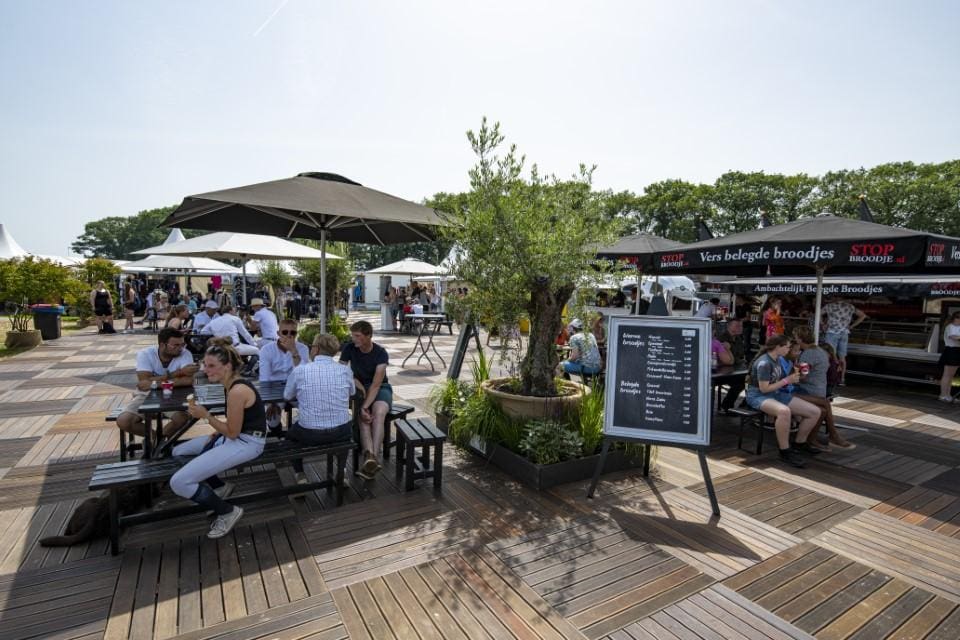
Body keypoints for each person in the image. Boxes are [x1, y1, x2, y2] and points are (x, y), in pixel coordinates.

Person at [172, 341, 266, 539]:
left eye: (211, 365)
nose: (205, 370)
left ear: (227, 366)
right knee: (178, 452)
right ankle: (219, 487)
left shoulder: (237, 391)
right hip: (237, 437)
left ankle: (227, 512)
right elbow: (234, 425)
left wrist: (206, 416)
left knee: (179, 482)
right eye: (205, 365)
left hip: (248, 443)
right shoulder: (230, 385)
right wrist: (218, 431)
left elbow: (232, 432)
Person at [283, 333, 354, 482]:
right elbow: (352, 392)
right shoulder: (345, 370)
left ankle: (300, 474)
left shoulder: (300, 370)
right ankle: (341, 471)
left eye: (312, 346)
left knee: (289, 437)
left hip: (309, 433)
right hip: (340, 431)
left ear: (316, 349)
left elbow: (287, 396)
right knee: (347, 430)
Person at [744, 335, 823, 468]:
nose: (788, 349)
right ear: (777, 347)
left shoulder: (778, 359)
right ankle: (784, 451)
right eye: (787, 347)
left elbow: (779, 381)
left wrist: (794, 377)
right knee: (784, 411)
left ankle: (799, 444)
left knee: (815, 412)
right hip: (758, 396)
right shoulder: (764, 363)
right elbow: (764, 389)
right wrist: (787, 380)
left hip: (776, 393)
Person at [115, 328, 198, 440]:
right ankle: (156, 439)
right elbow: (143, 382)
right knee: (124, 421)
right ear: (162, 345)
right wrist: (179, 373)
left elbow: (188, 380)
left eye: (182, 344)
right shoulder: (145, 354)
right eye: (176, 345)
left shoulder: (185, 353)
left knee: (181, 418)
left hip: (175, 395)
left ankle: (157, 443)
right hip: (146, 395)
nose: (180, 348)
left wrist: (154, 383)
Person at [340, 320, 391, 479]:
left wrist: (364, 406)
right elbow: (341, 371)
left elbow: (376, 385)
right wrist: (357, 384)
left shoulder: (381, 353)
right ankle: (371, 459)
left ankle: (371, 457)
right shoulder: (349, 348)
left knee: (378, 413)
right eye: (353, 335)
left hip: (380, 387)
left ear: (368, 336)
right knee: (363, 419)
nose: (353, 339)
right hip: (359, 387)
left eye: (357, 336)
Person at [792, 326, 855, 449]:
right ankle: (824, 436)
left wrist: (793, 373)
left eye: (795, 337)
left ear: (800, 339)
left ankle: (824, 437)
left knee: (823, 407)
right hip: (820, 390)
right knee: (824, 408)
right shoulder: (819, 351)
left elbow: (803, 377)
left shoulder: (807, 354)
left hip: (809, 391)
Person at [260, 318, 310, 430]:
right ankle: (278, 432)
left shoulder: (303, 348)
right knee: (272, 420)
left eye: (293, 333)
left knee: (310, 412)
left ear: (296, 334)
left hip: (296, 387)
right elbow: (264, 378)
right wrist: (270, 402)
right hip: (274, 387)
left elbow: (304, 374)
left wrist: (294, 352)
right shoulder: (266, 350)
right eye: (285, 332)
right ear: (278, 333)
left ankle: (296, 432)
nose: (289, 336)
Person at [821, 296, 867, 385]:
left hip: (832, 332)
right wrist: (851, 326)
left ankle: (830, 377)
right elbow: (863, 316)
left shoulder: (829, 306)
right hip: (844, 333)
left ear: (836, 296)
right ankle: (842, 379)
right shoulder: (850, 306)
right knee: (842, 357)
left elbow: (818, 313)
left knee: (830, 356)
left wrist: (823, 324)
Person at [717, 318, 746, 412]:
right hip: (722, 371)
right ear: (729, 327)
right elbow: (725, 359)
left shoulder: (738, 338)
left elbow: (741, 354)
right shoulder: (722, 339)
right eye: (737, 326)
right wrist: (739, 361)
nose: (740, 328)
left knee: (752, 380)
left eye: (741, 326)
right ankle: (727, 406)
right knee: (740, 383)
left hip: (735, 369)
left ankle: (745, 406)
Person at [938, 311, 960, 403]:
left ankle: (948, 395)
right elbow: (953, 337)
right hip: (951, 351)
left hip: (957, 351)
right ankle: (943, 395)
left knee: (951, 376)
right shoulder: (950, 326)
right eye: (958, 317)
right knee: (947, 375)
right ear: (955, 318)